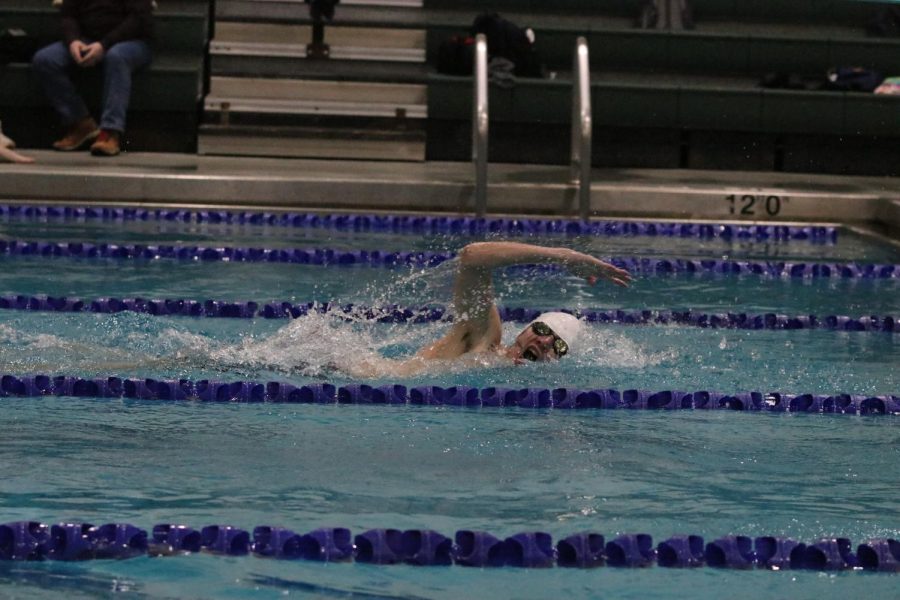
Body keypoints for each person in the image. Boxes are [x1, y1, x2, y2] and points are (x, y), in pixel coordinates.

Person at [338, 241, 632, 378]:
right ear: (526, 329)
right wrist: (561, 256)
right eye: (542, 330)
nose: (543, 341)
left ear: (559, 358)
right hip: (339, 370)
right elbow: (473, 256)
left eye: (557, 344)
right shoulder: (485, 339)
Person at [31, 0, 154, 157]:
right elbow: (68, 15)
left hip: (132, 41)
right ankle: (80, 124)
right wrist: (73, 41)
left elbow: (138, 19)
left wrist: (104, 44)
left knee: (116, 57)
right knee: (45, 60)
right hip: (89, 39)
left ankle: (110, 132)